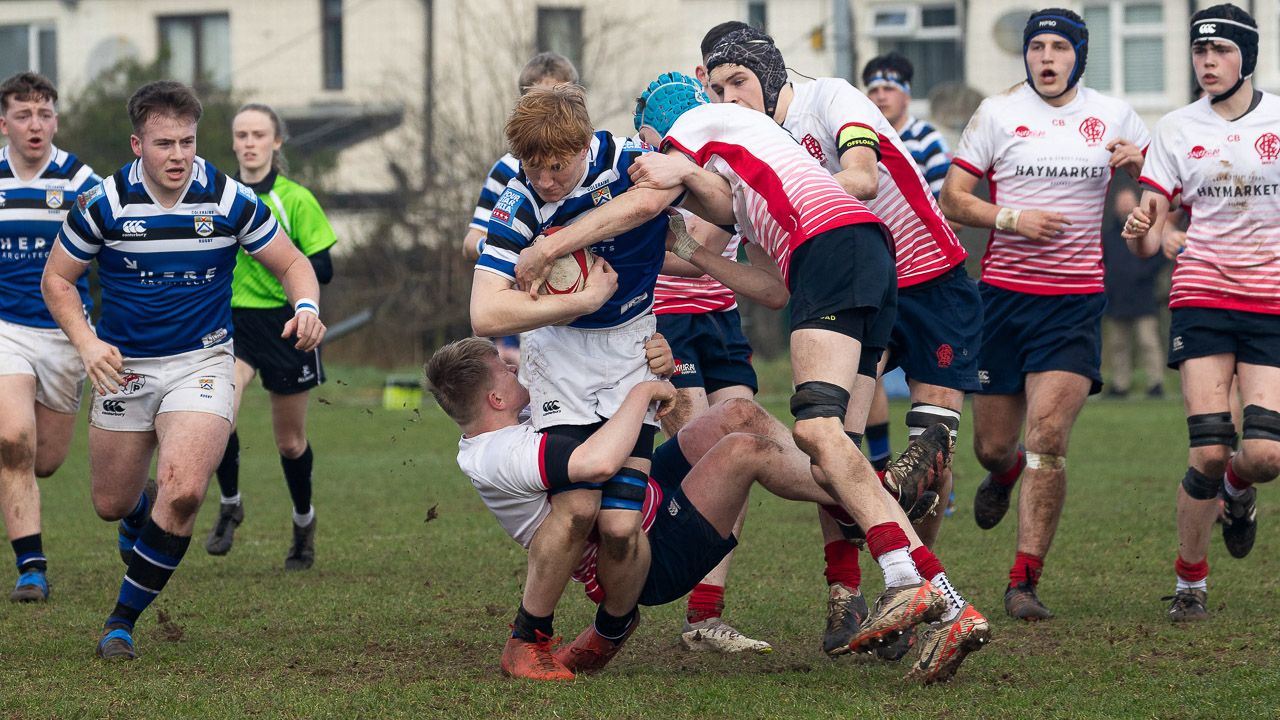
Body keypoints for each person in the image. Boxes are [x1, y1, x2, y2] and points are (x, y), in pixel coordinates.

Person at [517, 72, 989, 670]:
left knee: (816, 432)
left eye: (651, 150)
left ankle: (901, 573)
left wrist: (548, 248)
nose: (645, 164)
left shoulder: (685, 129)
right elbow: (770, 287)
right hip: (868, 251)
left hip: (833, 245)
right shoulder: (751, 167)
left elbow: (642, 198)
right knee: (829, 445)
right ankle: (950, 605)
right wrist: (696, 254)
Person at [426, 336, 982, 684]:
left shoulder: (520, 418)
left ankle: (864, 493)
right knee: (746, 452)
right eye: (505, 367)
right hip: (643, 555)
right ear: (494, 399)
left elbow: (595, 387)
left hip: (645, 499)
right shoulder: (495, 453)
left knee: (737, 412)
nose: (516, 367)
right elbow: (597, 460)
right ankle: (870, 493)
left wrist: (652, 361)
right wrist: (644, 394)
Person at [703, 28, 981, 658]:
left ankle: (920, 594)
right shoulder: (750, 151)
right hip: (854, 285)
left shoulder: (828, 97)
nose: (730, 99)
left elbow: (862, 163)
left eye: (739, 83)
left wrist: (838, 182)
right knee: (835, 446)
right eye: (716, 90)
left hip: (929, 278)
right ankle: (848, 589)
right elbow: (761, 270)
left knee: (928, 461)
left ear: (771, 76)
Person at [42, 81, 326, 660]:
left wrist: (306, 306)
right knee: (112, 504)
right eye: (164, 143)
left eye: (188, 142)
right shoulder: (103, 201)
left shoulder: (225, 196)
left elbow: (294, 262)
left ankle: (121, 621)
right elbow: (57, 279)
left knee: (186, 490)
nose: (178, 155)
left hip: (204, 360)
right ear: (136, 144)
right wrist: (87, 342)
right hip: (124, 368)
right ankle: (138, 515)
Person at [938, 8, 1149, 620]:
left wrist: (1139, 195)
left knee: (1048, 439)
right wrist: (1012, 218)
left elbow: (1145, 203)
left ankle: (1023, 581)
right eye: (1037, 48)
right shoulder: (998, 114)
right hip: (1002, 301)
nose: (1046, 58)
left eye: (1059, 47)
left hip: (1075, 303)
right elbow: (953, 199)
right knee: (994, 448)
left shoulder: (1114, 116)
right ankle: (1001, 478)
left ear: (1079, 55)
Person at [471, 83, 673, 661]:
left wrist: (557, 243)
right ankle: (527, 635)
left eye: (556, 168)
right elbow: (485, 312)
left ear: (585, 146)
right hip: (558, 358)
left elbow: (665, 192)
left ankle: (610, 632)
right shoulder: (518, 200)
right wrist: (577, 304)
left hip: (633, 348)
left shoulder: (627, 160)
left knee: (618, 526)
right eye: (533, 168)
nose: (545, 181)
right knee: (578, 506)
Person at [1122, 3, 1280, 623]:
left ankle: (1238, 494)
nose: (1207, 63)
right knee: (1210, 450)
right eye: (1198, 52)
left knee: (1264, 456)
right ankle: (1191, 581)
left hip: (1270, 302)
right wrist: (1141, 225)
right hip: (1203, 296)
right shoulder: (1175, 127)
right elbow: (1150, 228)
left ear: (1247, 56)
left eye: (1220, 52)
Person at [201, 103, 338, 567]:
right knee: (220, 418)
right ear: (233, 142)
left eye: (259, 134)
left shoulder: (294, 199)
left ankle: (303, 523)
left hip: (285, 323)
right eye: (241, 135)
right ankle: (230, 502)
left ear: (276, 142)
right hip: (231, 321)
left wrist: (275, 255)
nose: (249, 142)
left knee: (289, 442)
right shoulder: (217, 197)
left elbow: (323, 266)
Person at [0, 72, 100, 603]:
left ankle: (134, 505)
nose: (34, 125)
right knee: (12, 440)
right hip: (5, 330)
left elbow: (111, 258)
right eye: (23, 114)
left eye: (43, 114)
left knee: (45, 461)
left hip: (64, 334)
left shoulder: (82, 180)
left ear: (55, 120)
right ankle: (31, 568)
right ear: (4, 123)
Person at [462, 52, 579, 366]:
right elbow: (471, 243)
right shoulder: (507, 170)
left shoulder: (588, 157)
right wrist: (516, 249)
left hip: (586, 303)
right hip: (532, 306)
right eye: (541, 99)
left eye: (562, 97)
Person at [1101, 185, 1165, 399]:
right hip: (1117, 297)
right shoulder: (1109, 235)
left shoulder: (1147, 228)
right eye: (1121, 202)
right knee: (1119, 344)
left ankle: (1156, 383)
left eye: (1128, 201)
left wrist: (1142, 273)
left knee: (1148, 341)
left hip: (1143, 296)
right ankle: (1121, 384)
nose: (1124, 205)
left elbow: (1159, 256)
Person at [861, 52, 954, 200]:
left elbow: (949, 213)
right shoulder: (859, 138)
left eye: (889, 89)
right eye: (873, 90)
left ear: (907, 97)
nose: (881, 97)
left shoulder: (927, 139)